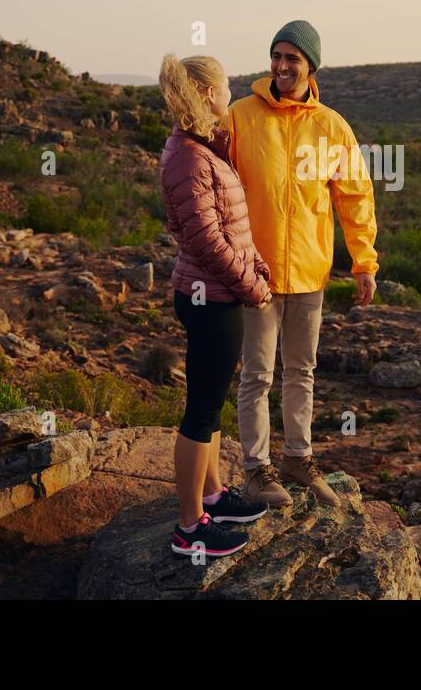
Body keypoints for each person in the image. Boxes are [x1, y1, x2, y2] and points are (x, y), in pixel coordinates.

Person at [227, 20, 379, 507]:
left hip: (311, 273)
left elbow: (355, 197)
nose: (282, 65)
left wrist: (363, 261)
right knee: (256, 375)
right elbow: (215, 187)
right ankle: (255, 469)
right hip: (257, 275)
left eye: (293, 58)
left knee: (301, 371)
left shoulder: (332, 126)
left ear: (310, 66)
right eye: (276, 55)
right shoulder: (239, 116)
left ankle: (297, 457)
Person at [158, 53, 273, 558]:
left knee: (211, 400)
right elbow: (207, 240)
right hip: (210, 297)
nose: (231, 94)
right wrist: (253, 285)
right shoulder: (189, 154)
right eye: (225, 87)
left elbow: (228, 227)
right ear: (207, 93)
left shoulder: (202, 147)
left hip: (214, 293)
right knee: (200, 411)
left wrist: (257, 267)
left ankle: (212, 495)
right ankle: (190, 528)